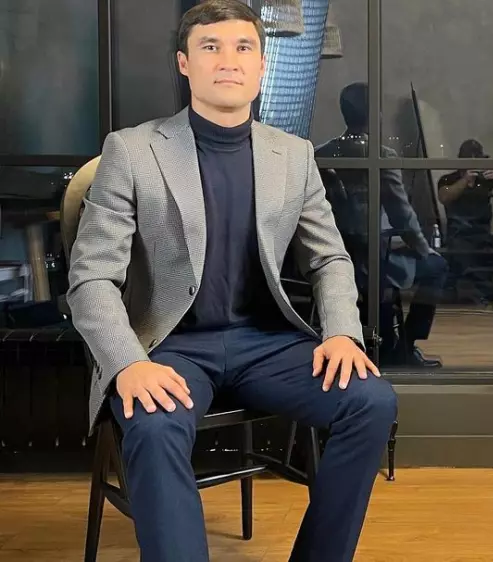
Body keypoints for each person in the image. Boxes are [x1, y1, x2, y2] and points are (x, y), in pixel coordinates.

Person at [66, 2, 397, 561]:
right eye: (210, 47)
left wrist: (342, 332)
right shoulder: (132, 150)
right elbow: (91, 277)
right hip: (168, 348)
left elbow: (329, 259)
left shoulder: (293, 156)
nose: (228, 60)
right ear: (184, 63)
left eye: (243, 47)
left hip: (265, 345)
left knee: (371, 401)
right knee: (154, 425)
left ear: (262, 65)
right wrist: (127, 363)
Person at [315, 81, 446, 368]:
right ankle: (405, 347)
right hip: (373, 254)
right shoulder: (381, 155)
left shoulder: (320, 153)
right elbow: (402, 215)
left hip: (334, 251)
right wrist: (423, 249)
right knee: (437, 266)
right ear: (374, 114)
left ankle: (384, 337)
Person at [437, 138, 493, 305]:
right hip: (459, 234)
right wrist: (465, 180)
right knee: (465, 253)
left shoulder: (485, 180)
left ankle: (483, 291)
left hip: (483, 233)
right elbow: (444, 197)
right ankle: (482, 291)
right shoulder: (448, 179)